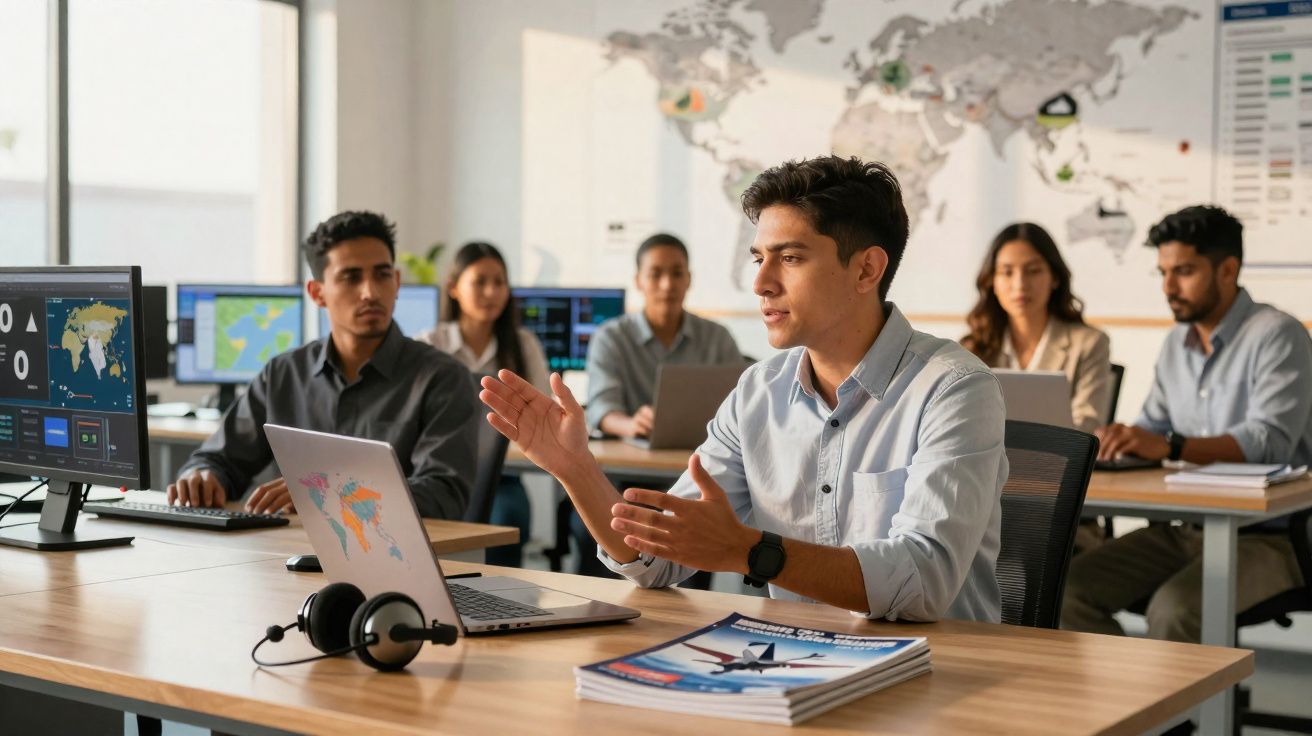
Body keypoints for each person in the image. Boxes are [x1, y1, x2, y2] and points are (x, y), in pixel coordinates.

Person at [481, 156, 1008, 621]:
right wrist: (576, 469)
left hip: (939, 671)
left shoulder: (954, 389)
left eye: (791, 258)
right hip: (796, 663)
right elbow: (657, 560)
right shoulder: (758, 391)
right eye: (759, 258)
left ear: (866, 269)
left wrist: (751, 552)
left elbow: (922, 582)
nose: (761, 283)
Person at [1062, 205, 1312, 643]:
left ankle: (1178, 694)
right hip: (1185, 531)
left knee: (1176, 611)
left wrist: (1171, 445)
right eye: (1163, 272)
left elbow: (1269, 442)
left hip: (1271, 538)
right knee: (1066, 592)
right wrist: (1120, 440)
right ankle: (1125, 690)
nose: (1168, 287)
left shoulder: (1278, 335)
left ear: (1227, 270)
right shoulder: (1177, 343)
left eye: (1184, 271)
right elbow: (1152, 428)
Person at [168, 211, 480, 519]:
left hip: (400, 550)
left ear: (396, 282)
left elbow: (445, 495)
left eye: (382, 275)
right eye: (351, 277)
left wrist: (331, 494)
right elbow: (219, 459)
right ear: (317, 293)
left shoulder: (443, 379)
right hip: (286, 547)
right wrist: (202, 476)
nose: (370, 292)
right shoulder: (283, 375)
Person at [417, 241, 549, 566]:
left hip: (504, 476)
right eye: (480, 282)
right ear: (453, 288)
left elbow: (544, 413)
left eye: (499, 282)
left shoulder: (523, 345)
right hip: (440, 474)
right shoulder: (430, 344)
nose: (491, 292)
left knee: (509, 515)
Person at [585, 232, 744, 439]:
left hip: (706, 451)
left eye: (677, 273)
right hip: (634, 452)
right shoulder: (611, 338)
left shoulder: (718, 338)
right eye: (655, 274)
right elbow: (601, 408)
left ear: (689, 279)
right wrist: (631, 425)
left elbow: (741, 405)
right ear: (638, 281)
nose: (667, 285)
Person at [961, 222, 1111, 434]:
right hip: (988, 456)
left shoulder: (1089, 343)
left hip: (1059, 455)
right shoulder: (972, 348)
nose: (1020, 284)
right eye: (1007, 272)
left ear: (1055, 278)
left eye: (1033, 271)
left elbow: (1087, 426)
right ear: (991, 281)